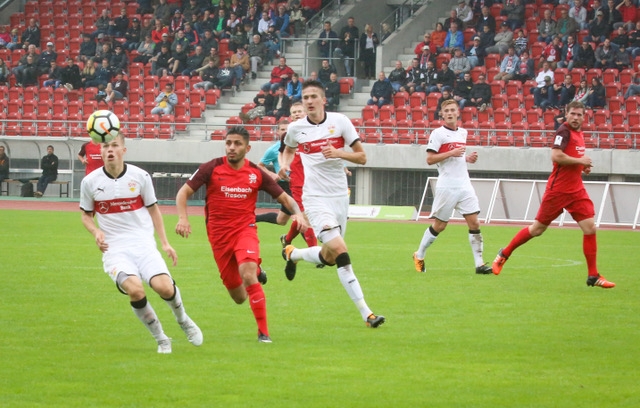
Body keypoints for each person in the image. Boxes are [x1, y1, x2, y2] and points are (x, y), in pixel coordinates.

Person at [175, 126, 308, 343]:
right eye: (228, 143)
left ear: (247, 148)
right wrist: (183, 218)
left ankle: (263, 333)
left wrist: (298, 214)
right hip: (218, 237)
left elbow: (286, 198)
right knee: (239, 297)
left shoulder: (256, 173)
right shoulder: (211, 168)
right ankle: (257, 269)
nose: (231, 147)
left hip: (245, 230)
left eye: (237, 144)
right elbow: (184, 192)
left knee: (247, 273)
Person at [80, 134, 203, 354]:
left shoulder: (140, 176)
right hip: (115, 249)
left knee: (164, 288)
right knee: (135, 290)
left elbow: (154, 210)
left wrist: (165, 243)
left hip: (143, 244)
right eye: (106, 146)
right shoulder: (90, 182)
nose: (110, 150)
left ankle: (183, 319)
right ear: (100, 151)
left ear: (123, 150)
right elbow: (86, 215)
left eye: (115, 146)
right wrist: (96, 231)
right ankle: (161, 339)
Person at [278, 80, 386, 329]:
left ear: (323, 100)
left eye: (313, 96)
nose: (309, 101)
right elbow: (288, 149)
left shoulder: (340, 122)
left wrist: (339, 153)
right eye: (305, 97)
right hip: (314, 198)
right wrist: (284, 164)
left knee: (328, 257)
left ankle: (293, 254)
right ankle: (367, 314)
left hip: (339, 197)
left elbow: (362, 157)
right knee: (341, 251)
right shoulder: (296, 128)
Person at [492, 101, 615, 289]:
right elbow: (556, 156)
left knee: (590, 228)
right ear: (566, 114)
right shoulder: (563, 132)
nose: (575, 117)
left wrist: (581, 166)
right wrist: (580, 161)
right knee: (537, 230)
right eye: (572, 114)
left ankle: (593, 275)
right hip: (558, 191)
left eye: (579, 115)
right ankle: (504, 254)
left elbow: (571, 159)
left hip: (576, 190)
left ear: (584, 117)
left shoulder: (579, 133)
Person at [413, 99, 493, 275]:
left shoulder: (463, 132)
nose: (449, 113)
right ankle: (419, 254)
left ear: (458, 113)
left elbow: (457, 158)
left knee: (474, 222)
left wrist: (467, 159)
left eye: (452, 110)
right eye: (446, 111)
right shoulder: (438, 134)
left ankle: (479, 264)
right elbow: (430, 159)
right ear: (442, 114)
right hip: (447, 186)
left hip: (464, 184)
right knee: (440, 225)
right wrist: (452, 153)